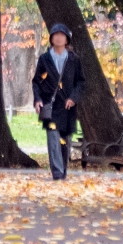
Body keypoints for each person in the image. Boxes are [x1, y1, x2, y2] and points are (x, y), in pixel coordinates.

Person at [31, 22, 85, 180]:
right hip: (51, 105)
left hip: (68, 107)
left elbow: (81, 82)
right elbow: (36, 81)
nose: (59, 38)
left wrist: (73, 98)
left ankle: (62, 172)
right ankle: (57, 173)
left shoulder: (74, 59)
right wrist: (37, 100)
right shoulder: (44, 59)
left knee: (64, 141)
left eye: (62, 35)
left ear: (67, 39)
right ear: (51, 39)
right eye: (56, 35)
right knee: (53, 139)